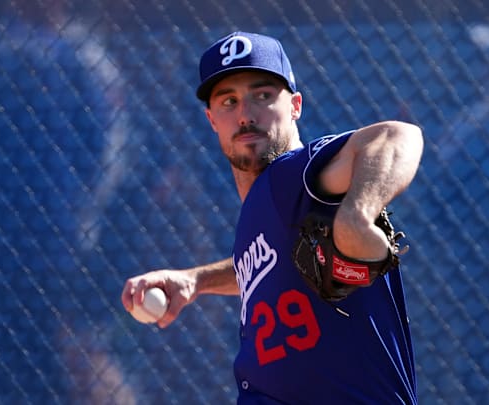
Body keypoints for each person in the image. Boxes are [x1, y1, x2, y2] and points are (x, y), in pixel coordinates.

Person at [121, 31, 423, 404]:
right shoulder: (264, 211)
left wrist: (356, 214)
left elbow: (398, 136)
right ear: (212, 119)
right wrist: (196, 280)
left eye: (263, 96)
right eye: (228, 101)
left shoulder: (293, 175)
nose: (246, 114)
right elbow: (274, 263)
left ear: (295, 105)